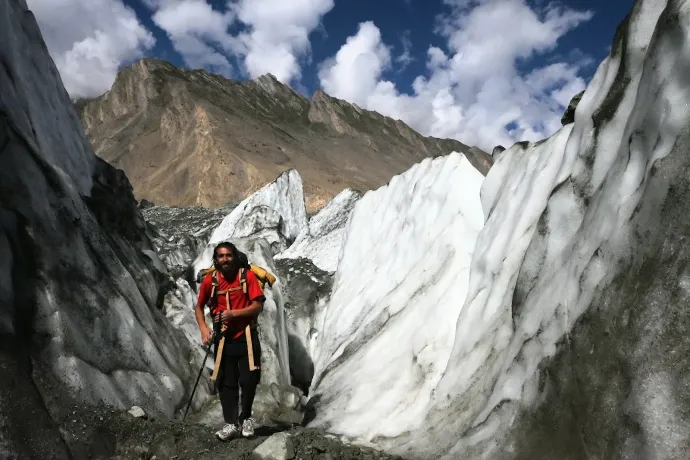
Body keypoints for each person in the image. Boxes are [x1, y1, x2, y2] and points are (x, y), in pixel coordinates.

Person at [195, 241, 265, 441]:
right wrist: (203, 328)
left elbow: (257, 306)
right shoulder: (211, 281)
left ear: (234, 257)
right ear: (216, 259)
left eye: (228, 255)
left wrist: (233, 314)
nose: (224, 259)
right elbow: (198, 307)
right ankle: (231, 423)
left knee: (249, 378)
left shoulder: (247, 277)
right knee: (226, 381)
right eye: (220, 256)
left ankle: (246, 418)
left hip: (246, 336)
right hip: (223, 338)